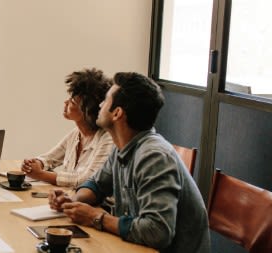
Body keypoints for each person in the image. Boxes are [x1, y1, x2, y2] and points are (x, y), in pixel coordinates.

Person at [49, 72, 210, 252]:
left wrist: (97, 218)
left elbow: (157, 232)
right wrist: (72, 201)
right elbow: (97, 184)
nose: (100, 104)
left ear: (117, 113)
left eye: (106, 100)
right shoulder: (122, 147)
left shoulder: (153, 156)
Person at [21, 68, 114, 187]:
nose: (65, 103)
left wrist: (40, 174)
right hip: (72, 200)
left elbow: (87, 180)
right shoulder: (76, 134)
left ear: (88, 112)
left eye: (72, 102)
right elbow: (49, 158)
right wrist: (36, 164)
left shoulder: (107, 138)